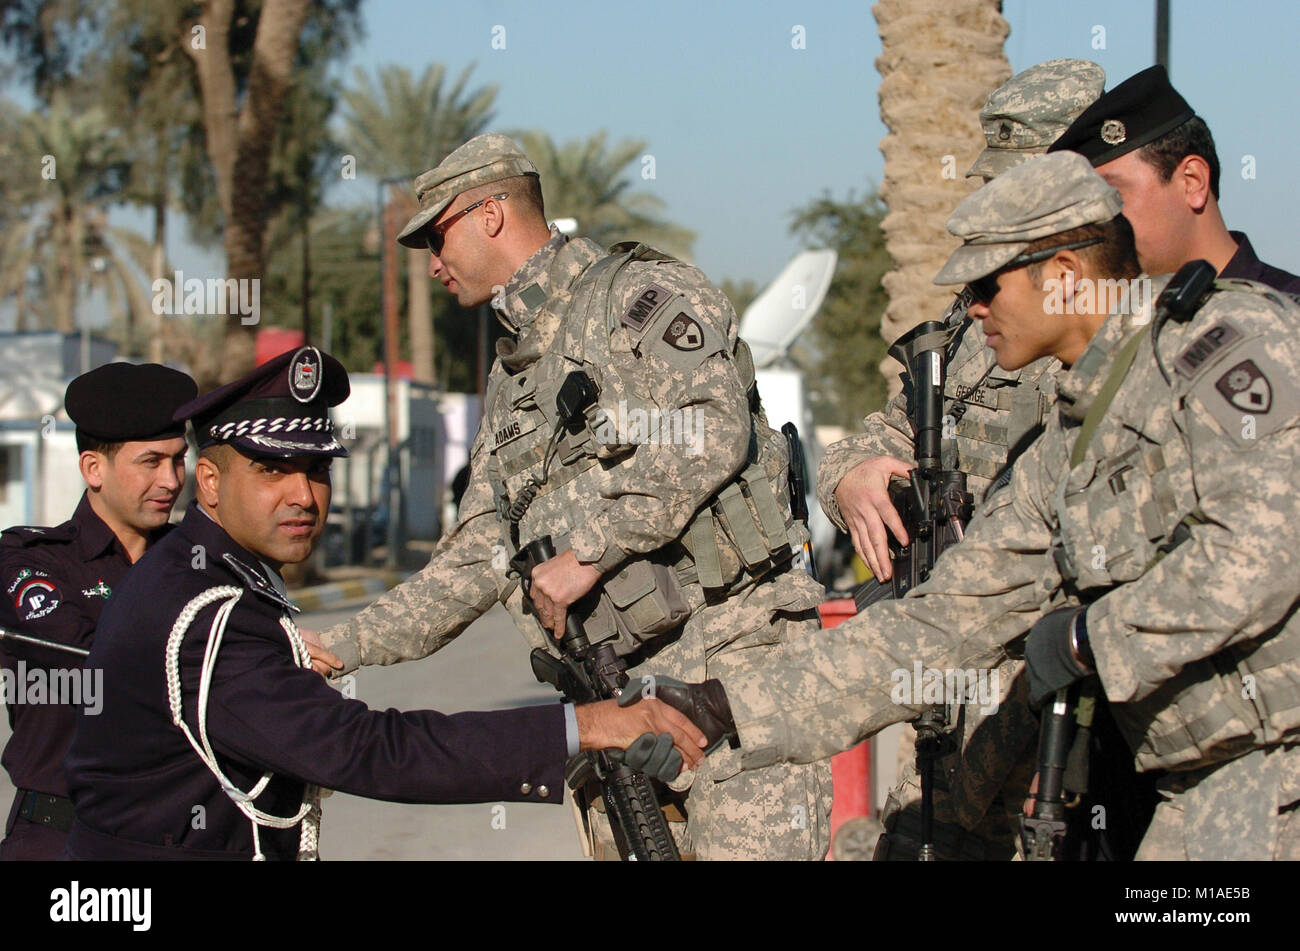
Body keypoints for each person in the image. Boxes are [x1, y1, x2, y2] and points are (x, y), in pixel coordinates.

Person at [663, 151, 1300, 860]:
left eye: (988, 285)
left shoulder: (1224, 347)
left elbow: (1262, 553)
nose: (972, 307)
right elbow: (944, 621)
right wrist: (721, 706)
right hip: (1212, 793)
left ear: (1063, 277)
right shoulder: (1066, 444)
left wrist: (1091, 639)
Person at [316, 134, 832, 860]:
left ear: (491, 212)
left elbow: (713, 425)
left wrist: (588, 551)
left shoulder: (632, 298)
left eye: (437, 235)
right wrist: (340, 645)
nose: (432, 263)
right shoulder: (512, 377)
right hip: (615, 698)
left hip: (731, 666)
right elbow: (477, 555)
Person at [62, 346, 704, 860]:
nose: (303, 496)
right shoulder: (207, 607)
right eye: (272, 471)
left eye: (316, 471)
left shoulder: (206, 573)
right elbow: (366, 749)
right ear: (210, 482)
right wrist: (588, 725)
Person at [819, 59, 1105, 860]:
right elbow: (893, 424)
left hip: (1054, 706)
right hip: (953, 687)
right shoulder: (985, 305)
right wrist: (853, 472)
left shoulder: (1128, 319)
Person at [0, 362, 196, 860]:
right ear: (93, 469)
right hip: (60, 838)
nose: (171, 480)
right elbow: (87, 658)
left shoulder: (195, 562)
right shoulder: (34, 562)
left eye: (178, 460)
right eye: (150, 462)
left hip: (178, 835)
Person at [1049, 64, 1300, 293]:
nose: (1094, 223)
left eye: (1112, 196)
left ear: (1193, 181)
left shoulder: (1288, 318)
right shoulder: (1113, 328)